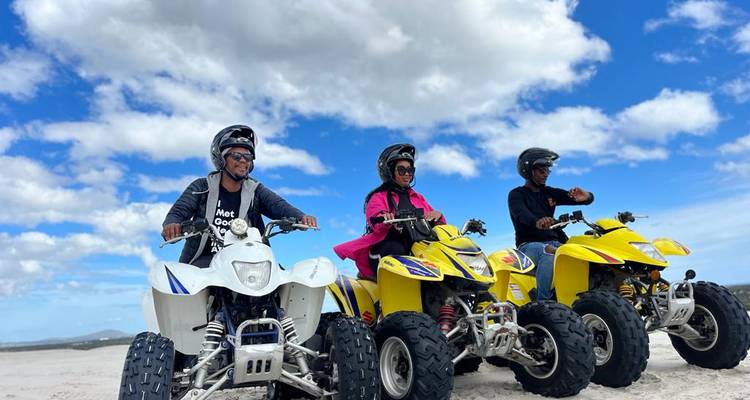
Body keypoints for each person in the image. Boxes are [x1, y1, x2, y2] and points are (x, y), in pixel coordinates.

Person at [162, 124, 317, 267]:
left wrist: (301, 217)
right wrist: (172, 224)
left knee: (284, 285)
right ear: (222, 159)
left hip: (249, 259)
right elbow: (179, 211)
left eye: (248, 156)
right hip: (206, 259)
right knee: (184, 289)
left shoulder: (255, 189)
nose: (243, 160)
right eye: (236, 156)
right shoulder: (202, 187)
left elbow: (278, 205)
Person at [333, 143, 445, 278]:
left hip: (416, 249)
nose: (407, 174)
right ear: (390, 171)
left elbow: (438, 224)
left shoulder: (418, 197)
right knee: (396, 250)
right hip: (385, 249)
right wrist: (385, 218)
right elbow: (375, 219)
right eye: (402, 170)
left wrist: (438, 216)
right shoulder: (378, 196)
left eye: (410, 170)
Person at [508, 148, 593, 300]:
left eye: (547, 171)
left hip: (557, 242)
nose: (546, 174)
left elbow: (576, 198)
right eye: (542, 171)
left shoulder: (549, 192)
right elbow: (521, 214)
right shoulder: (517, 194)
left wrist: (587, 197)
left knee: (586, 251)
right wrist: (537, 222)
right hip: (528, 245)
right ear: (528, 171)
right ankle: (544, 303)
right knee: (548, 251)